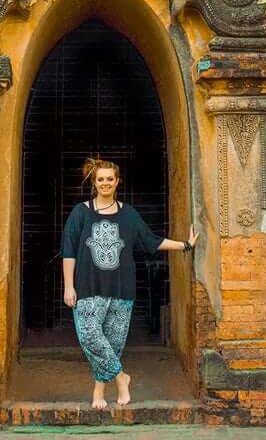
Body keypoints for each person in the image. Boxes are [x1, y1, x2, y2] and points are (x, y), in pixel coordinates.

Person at [61, 157, 198, 408]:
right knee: (90, 337)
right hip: (88, 287)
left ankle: (99, 393)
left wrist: (185, 245)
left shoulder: (129, 214)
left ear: (117, 182)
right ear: (94, 182)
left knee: (112, 345)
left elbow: (151, 240)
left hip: (121, 288)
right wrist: (69, 286)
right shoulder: (80, 212)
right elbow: (68, 251)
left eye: (109, 179)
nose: (105, 183)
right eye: (100, 179)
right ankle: (121, 378)